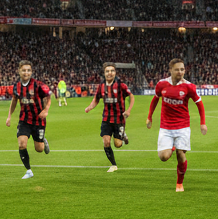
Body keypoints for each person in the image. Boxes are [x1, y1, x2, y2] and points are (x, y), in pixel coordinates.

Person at [146, 58, 206, 192]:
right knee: (163, 157)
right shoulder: (161, 85)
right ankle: (172, 147)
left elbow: (199, 104)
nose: (180, 72)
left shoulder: (189, 86)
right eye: (177, 69)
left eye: (182, 69)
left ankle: (179, 183)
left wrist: (202, 123)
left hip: (183, 126)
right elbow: (155, 99)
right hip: (166, 127)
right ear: (170, 70)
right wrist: (149, 117)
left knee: (181, 154)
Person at [4, 60, 52, 179]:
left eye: (28, 70)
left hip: (38, 121)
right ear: (19, 71)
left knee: (39, 149)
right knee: (22, 144)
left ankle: (43, 140)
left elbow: (48, 96)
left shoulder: (38, 85)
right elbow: (14, 100)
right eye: (24, 70)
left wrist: (46, 110)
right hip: (24, 120)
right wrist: (9, 116)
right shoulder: (16, 86)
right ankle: (29, 170)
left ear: (31, 72)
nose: (26, 72)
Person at [85, 62, 134, 172]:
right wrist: (89, 107)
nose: (109, 73)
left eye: (112, 71)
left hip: (119, 119)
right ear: (104, 73)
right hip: (106, 118)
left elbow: (131, 96)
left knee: (118, 144)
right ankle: (113, 165)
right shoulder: (101, 86)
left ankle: (122, 135)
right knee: (106, 142)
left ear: (115, 72)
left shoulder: (121, 85)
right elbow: (96, 99)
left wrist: (128, 110)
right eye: (107, 71)